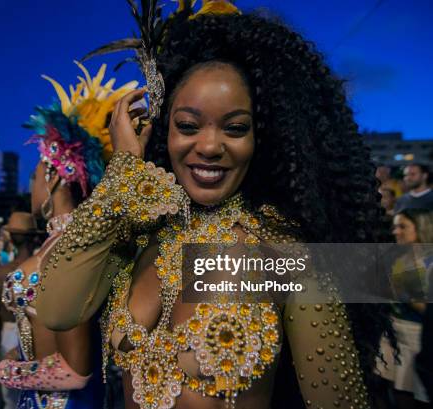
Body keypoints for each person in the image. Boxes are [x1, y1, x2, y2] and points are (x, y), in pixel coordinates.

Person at [36, 1, 393, 408]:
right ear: (159, 131)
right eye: (187, 126)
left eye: (235, 128)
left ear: (262, 138)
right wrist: (121, 177)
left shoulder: (279, 252)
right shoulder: (134, 234)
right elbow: (55, 310)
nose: (208, 146)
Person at [0, 62, 138, 409]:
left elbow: (76, 370)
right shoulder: (68, 243)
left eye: (33, 178)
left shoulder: (75, 248)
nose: (31, 189)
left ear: (54, 176)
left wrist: (5, 371)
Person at [376, 208, 432, 408]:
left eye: (403, 226)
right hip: (392, 331)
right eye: (395, 226)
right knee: (383, 388)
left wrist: (404, 293)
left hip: (416, 336)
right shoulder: (398, 259)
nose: (396, 231)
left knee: (406, 396)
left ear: (419, 229)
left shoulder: (429, 263)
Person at [0, 211, 45, 408]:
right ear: (35, 238)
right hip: (38, 333)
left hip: (7, 335)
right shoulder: (44, 271)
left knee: (11, 398)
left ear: (11, 239)